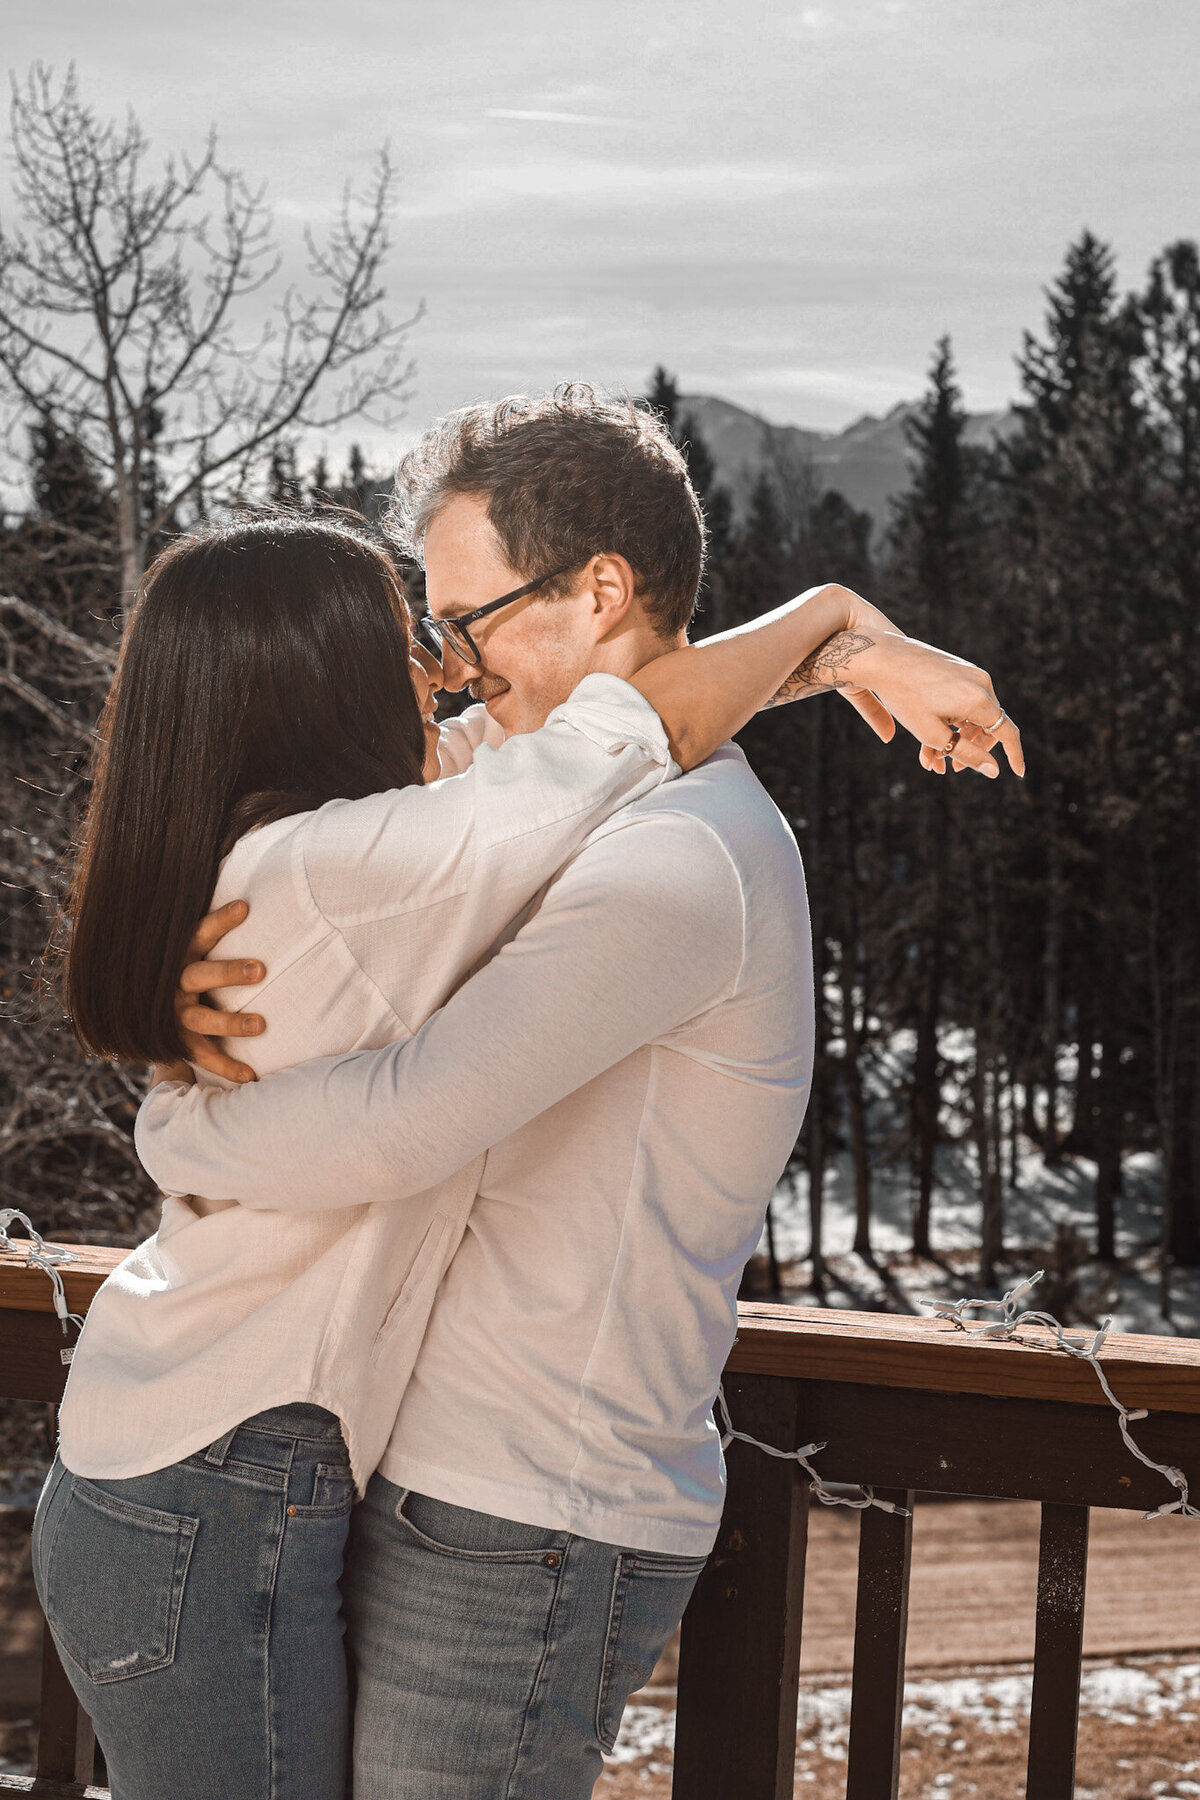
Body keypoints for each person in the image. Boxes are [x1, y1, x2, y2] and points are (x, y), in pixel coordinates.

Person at [136, 390, 1021, 1799]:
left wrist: (178, 1119)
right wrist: (829, 637)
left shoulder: (680, 861)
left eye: (469, 619)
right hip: (431, 1478)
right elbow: (571, 751)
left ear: (598, 590)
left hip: (527, 1505)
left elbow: (403, 1120)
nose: (449, 666)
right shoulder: (574, 796)